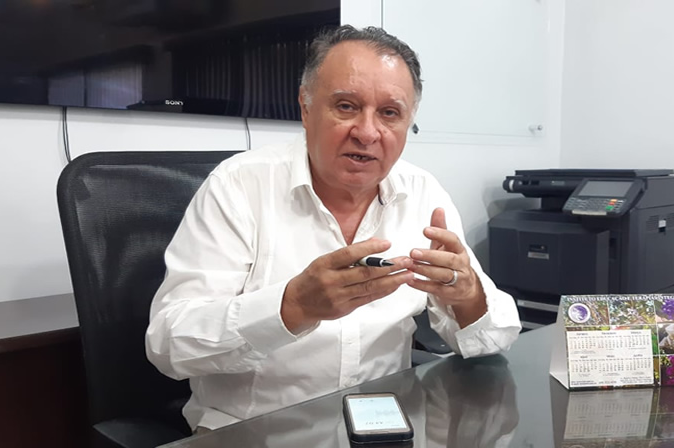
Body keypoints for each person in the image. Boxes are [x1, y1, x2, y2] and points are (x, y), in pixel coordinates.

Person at [145, 25, 521, 432]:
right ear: (305, 108)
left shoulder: (423, 193)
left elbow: (495, 338)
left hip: (383, 428)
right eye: (346, 106)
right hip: (254, 431)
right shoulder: (238, 186)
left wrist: (468, 297)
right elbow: (168, 344)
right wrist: (292, 307)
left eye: (389, 113)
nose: (367, 132)